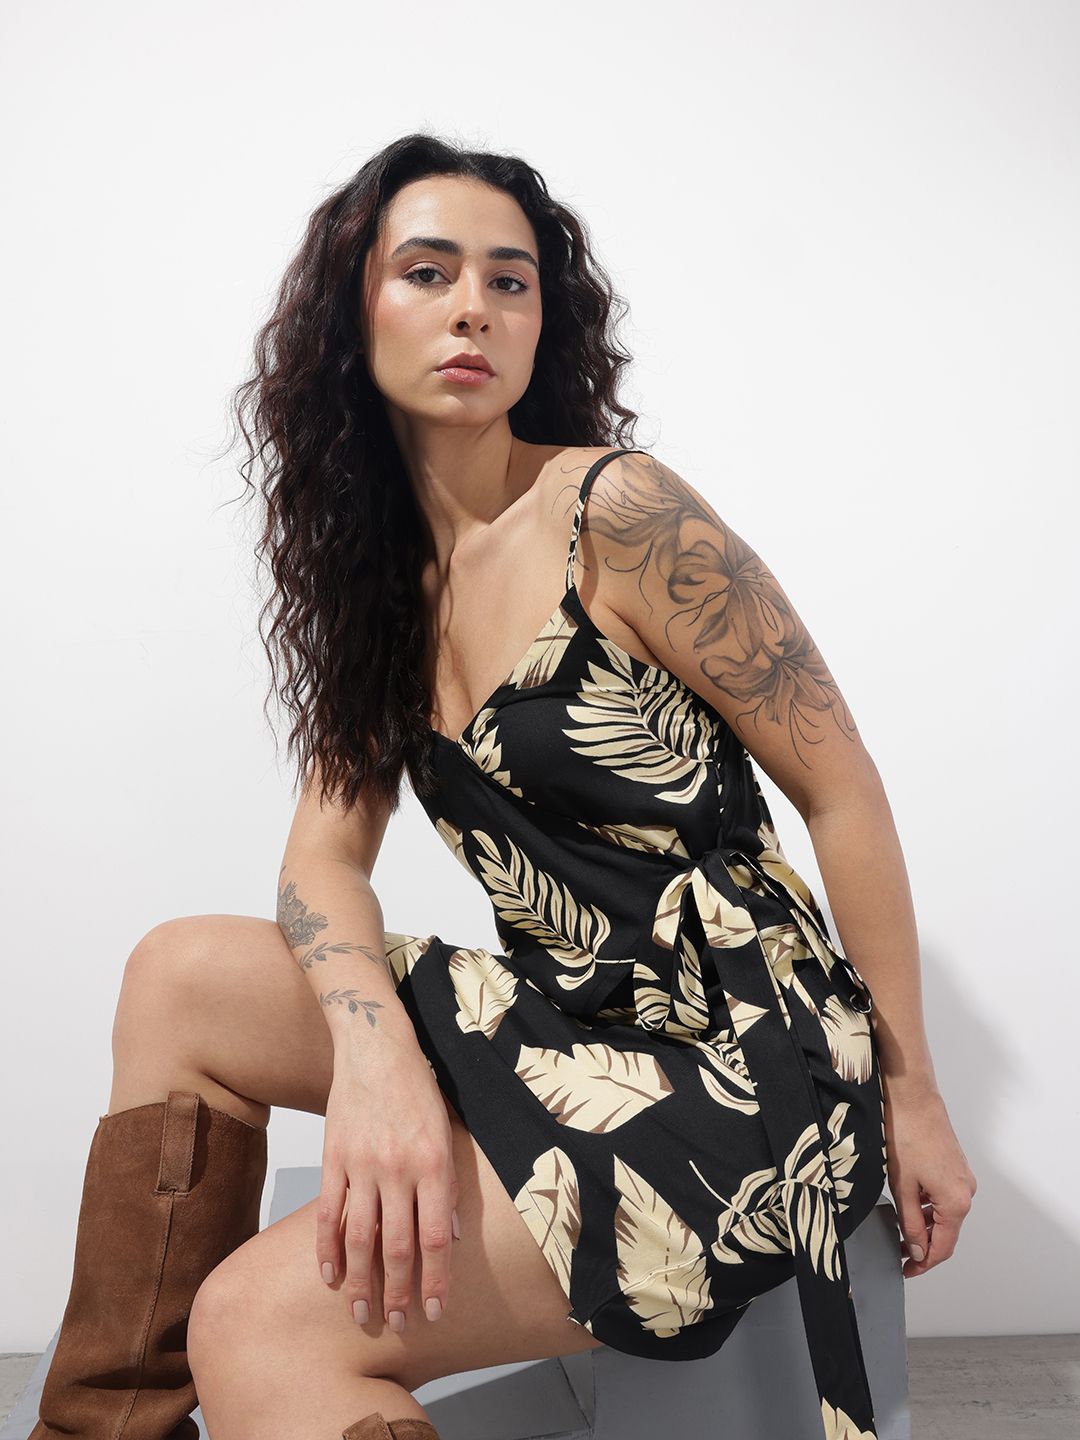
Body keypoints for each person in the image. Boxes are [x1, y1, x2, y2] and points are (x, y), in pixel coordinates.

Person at [30, 133, 976, 1440]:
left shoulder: (618, 513)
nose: (473, 304)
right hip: (570, 1014)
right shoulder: (384, 589)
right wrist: (375, 1063)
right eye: (428, 271)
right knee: (180, 975)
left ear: (541, 324)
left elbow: (843, 789)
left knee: (251, 1325)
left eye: (509, 280)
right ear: (354, 311)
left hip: (742, 1060)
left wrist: (914, 1092)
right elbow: (320, 861)